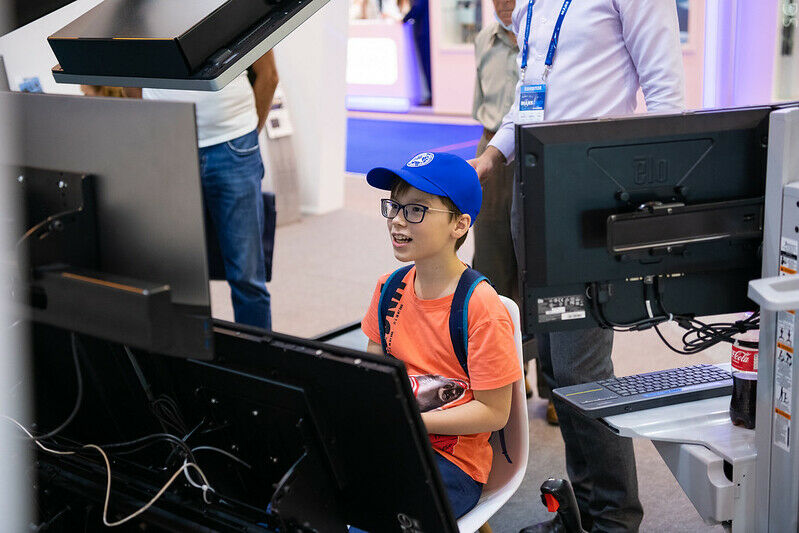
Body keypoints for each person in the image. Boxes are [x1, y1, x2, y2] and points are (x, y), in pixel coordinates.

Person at [469, 1, 685, 531]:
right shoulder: (531, 4)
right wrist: (491, 158)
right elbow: (529, 100)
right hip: (531, 186)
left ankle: (614, 518)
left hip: (589, 192)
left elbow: (666, 99)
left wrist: (645, 201)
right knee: (558, 368)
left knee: (581, 367)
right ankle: (584, 512)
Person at [360, 152, 521, 520]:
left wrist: (412, 421)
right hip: (395, 439)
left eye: (416, 210)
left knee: (381, 512)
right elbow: (373, 374)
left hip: (453, 463)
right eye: (394, 207)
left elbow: (495, 412)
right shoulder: (388, 288)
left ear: (459, 225)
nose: (397, 220)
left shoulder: (481, 307)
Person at [141, 51, 279, 330]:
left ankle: (254, 355)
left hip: (233, 141)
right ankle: (187, 353)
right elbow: (130, 78)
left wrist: (248, 134)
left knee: (246, 276)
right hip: (168, 144)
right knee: (177, 273)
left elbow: (268, 76)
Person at [472, 0, 557, 424]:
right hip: (494, 150)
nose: (504, 3)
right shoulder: (483, 40)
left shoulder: (546, 32)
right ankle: (510, 374)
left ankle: (555, 386)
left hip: (543, 149)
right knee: (492, 264)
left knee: (543, 270)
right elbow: (483, 103)